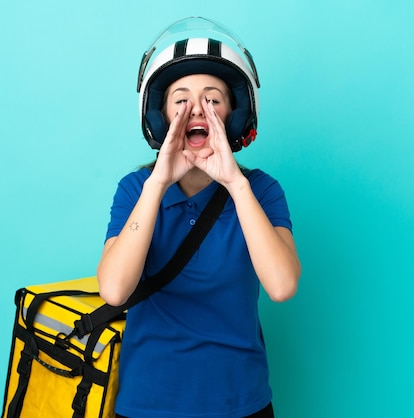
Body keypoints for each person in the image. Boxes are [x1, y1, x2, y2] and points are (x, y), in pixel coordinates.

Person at [96, 17, 301, 418]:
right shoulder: (135, 190)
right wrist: (157, 185)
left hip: (241, 404)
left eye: (213, 98)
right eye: (180, 99)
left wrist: (235, 184)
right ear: (159, 118)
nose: (197, 109)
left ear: (234, 117)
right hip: (146, 405)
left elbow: (281, 286)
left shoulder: (261, 190)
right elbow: (115, 290)